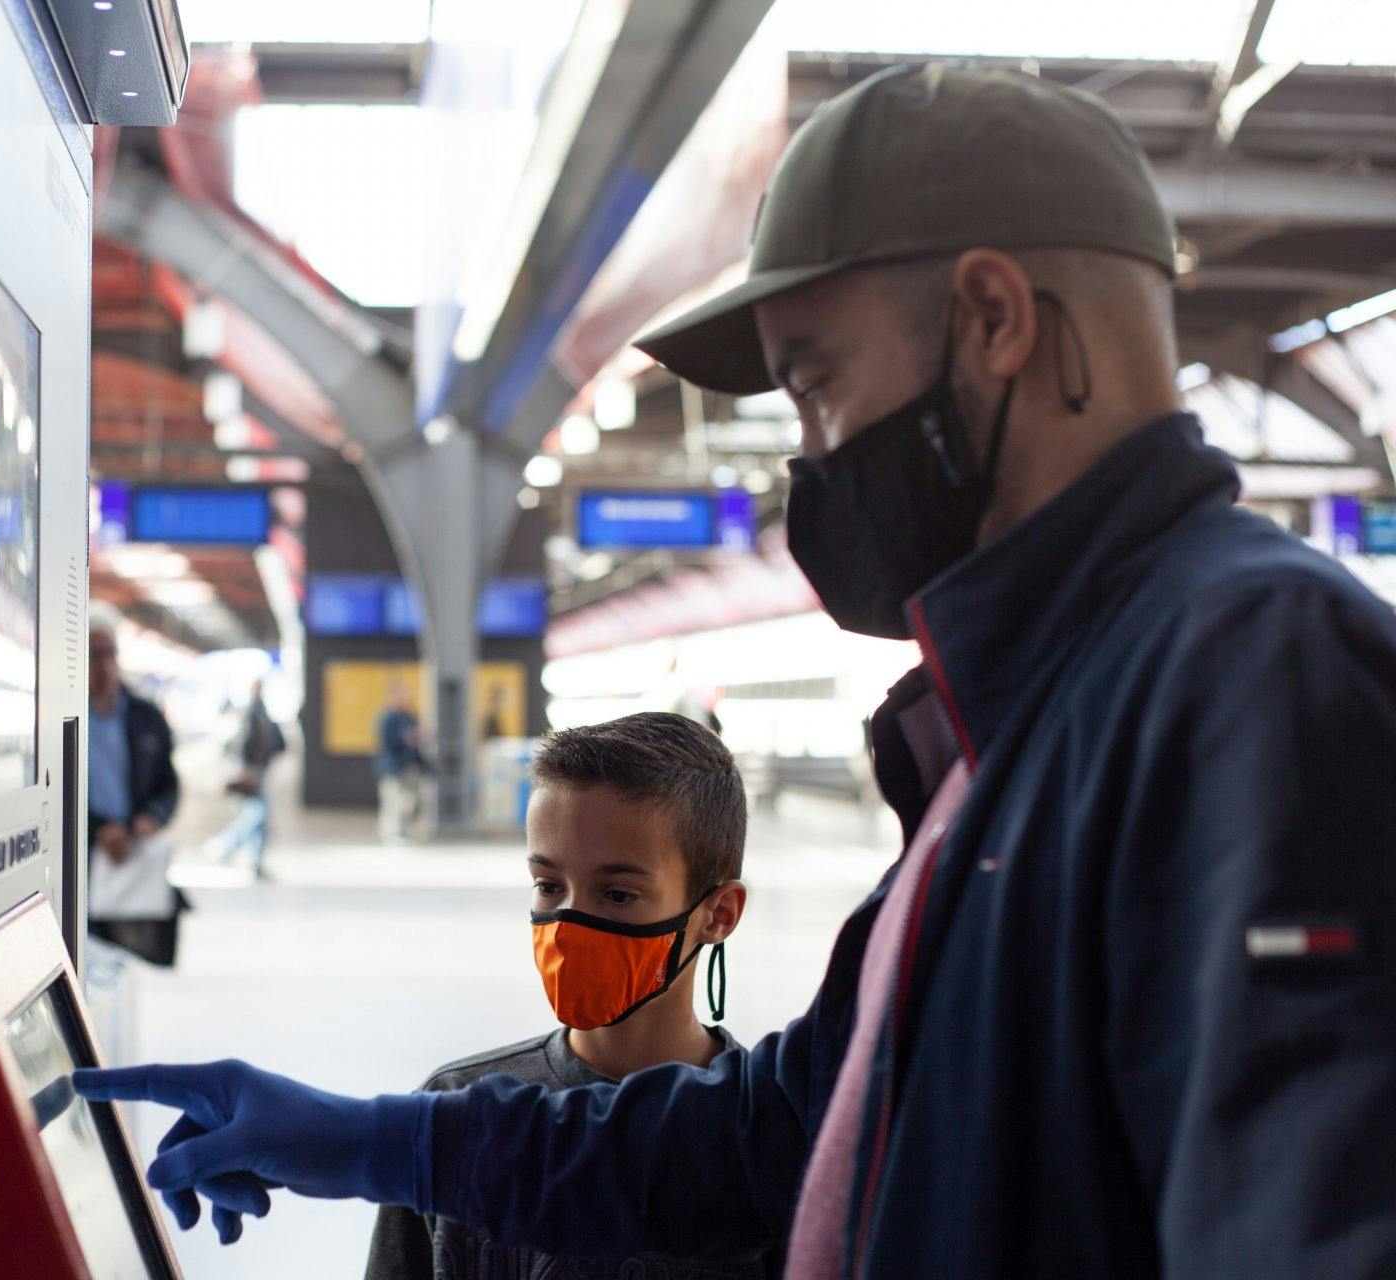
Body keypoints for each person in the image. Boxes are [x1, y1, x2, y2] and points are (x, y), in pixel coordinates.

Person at [75, 64, 1396, 1276]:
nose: (806, 460)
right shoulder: (1029, 728)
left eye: (815, 389)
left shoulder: (1246, 671)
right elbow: (772, 1140)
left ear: (994, 317)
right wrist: (384, 1146)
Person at [365, 712, 756, 1280]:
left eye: (618, 894)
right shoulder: (451, 1109)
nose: (569, 922)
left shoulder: (768, 1137)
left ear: (717, 915)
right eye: (549, 885)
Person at [84, 611, 184, 966]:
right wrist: (98, 830)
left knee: (122, 963)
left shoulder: (146, 718)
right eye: (94, 655)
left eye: (110, 653)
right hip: (82, 860)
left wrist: (151, 818)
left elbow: (169, 786)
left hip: (130, 856)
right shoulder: (61, 720)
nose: (105, 665)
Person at [213, 677, 286, 879]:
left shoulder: (261, 711)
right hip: (252, 771)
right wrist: (248, 770)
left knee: (258, 816)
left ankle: (252, 859)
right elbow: (246, 742)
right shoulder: (253, 712)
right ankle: (225, 846)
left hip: (258, 771)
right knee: (257, 814)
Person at [374, 686, 425, 843]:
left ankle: (402, 831)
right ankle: (389, 834)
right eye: (402, 698)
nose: (405, 701)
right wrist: (407, 738)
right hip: (392, 768)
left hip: (408, 768)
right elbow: (390, 741)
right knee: (392, 802)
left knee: (408, 802)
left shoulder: (409, 718)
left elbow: (416, 743)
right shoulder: (388, 718)